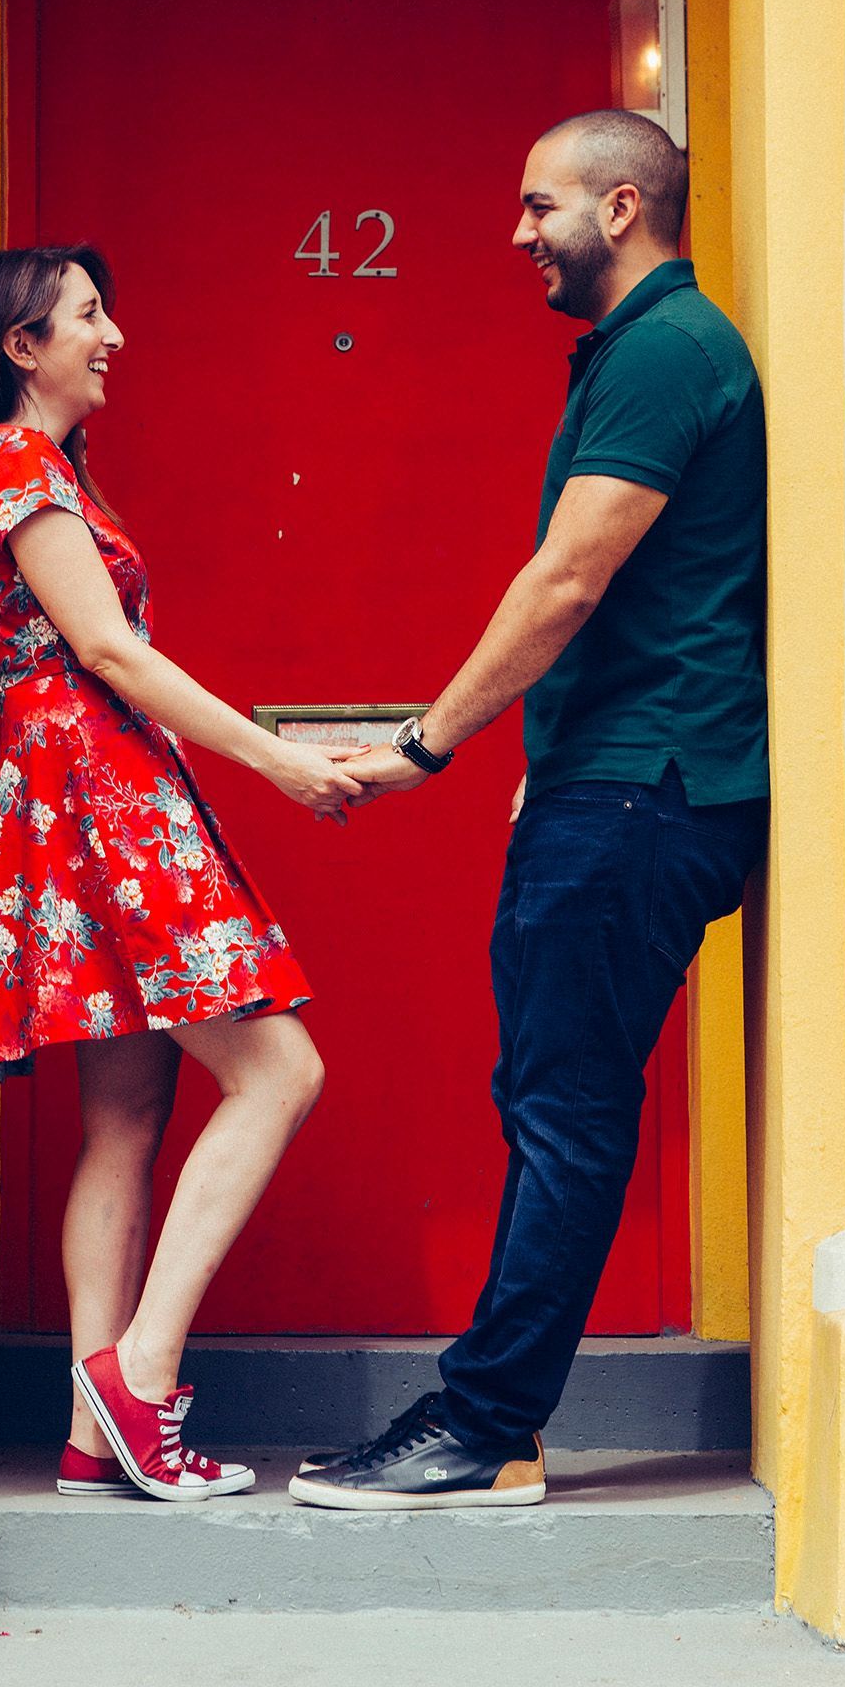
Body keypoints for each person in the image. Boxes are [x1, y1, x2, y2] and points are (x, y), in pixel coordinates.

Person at [290, 110, 769, 1511]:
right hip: (612, 782)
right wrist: (535, 766)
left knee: (563, 1108)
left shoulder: (671, 348)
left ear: (622, 207)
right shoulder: (644, 352)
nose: (517, 233)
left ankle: (485, 1423)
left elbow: (569, 577)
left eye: (537, 204)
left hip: (642, 787)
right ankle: (492, 1418)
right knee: (552, 1098)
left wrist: (426, 742)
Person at [0, 246, 363, 1503]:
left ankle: (91, 1427)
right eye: (86, 315)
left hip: (78, 797)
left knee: (125, 1117)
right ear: (23, 346)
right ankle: (141, 1371)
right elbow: (107, 653)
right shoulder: (11, 459)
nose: (113, 333)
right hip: (102, 796)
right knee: (281, 1068)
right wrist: (271, 758)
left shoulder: (37, 467)